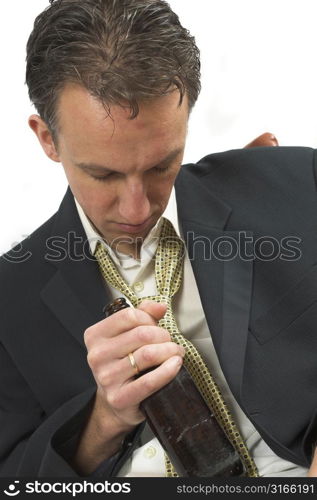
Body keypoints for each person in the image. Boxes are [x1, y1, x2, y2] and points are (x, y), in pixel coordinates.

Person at [1, 0, 317, 478]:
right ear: (46, 138)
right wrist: (103, 421)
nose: (137, 209)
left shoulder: (295, 183)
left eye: (160, 165)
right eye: (103, 174)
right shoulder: (9, 297)